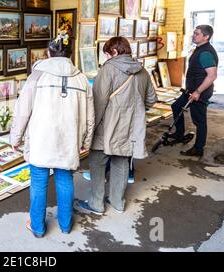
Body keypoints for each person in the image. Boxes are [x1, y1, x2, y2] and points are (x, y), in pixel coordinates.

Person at [10, 32, 95, 237]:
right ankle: (65, 225)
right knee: (65, 179)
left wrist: (16, 137)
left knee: (38, 182)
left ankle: (38, 227)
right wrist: (87, 140)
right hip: (68, 139)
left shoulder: (37, 75)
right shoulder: (82, 79)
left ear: (48, 53)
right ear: (70, 54)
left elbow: (23, 110)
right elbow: (90, 114)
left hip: (41, 139)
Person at [78, 37, 157, 214]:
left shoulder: (108, 69)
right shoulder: (142, 71)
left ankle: (96, 203)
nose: (106, 58)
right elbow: (151, 99)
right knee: (121, 164)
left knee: (97, 164)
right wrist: (134, 112)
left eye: (106, 53)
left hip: (106, 128)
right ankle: (117, 202)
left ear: (113, 52)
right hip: (129, 130)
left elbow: (98, 103)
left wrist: (88, 131)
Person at [169, 25, 218, 157]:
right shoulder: (200, 49)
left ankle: (198, 149)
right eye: (194, 33)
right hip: (191, 90)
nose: (193, 35)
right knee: (176, 106)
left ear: (206, 37)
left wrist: (198, 92)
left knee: (199, 121)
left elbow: (212, 75)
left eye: (197, 34)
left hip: (199, 92)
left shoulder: (205, 52)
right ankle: (179, 134)